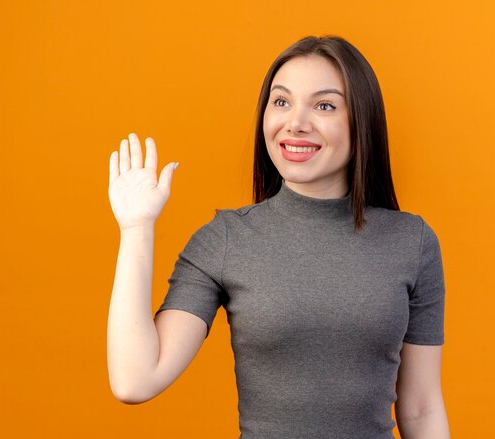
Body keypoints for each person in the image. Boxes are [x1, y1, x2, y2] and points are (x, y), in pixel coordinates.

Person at [107, 35, 450, 438]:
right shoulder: (226, 240)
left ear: (362, 120)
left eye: (324, 105)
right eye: (281, 101)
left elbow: (422, 409)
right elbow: (135, 380)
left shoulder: (412, 243)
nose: (295, 123)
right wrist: (136, 229)